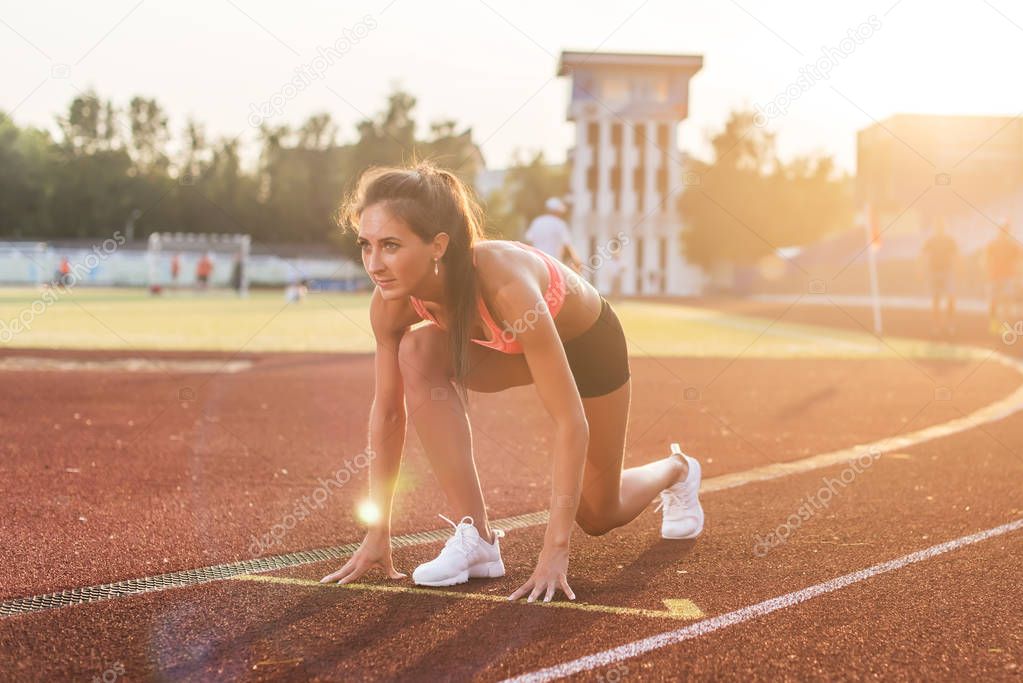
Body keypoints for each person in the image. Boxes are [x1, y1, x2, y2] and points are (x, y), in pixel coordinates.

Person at [319, 163, 704, 603]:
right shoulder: (390, 304)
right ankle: (477, 538)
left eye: (390, 246)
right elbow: (388, 412)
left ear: (437, 246)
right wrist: (378, 531)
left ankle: (678, 469)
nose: (374, 264)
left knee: (599, 512)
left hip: (588, 348)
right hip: (512, 350)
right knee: (417, 352)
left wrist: (554, 551)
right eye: (365, 245)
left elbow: (570, 422)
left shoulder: (504, 284)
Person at [921, 218, 958, 337]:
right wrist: (923, 271)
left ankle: (950, 324)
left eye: (941, 227)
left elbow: (955, 256)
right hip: (934, 272)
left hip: (947, 271)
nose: (939, 229)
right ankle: (936, 326)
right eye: (938, 227)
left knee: (950, 298)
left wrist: (957, 270)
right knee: (936, 299)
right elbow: (924, 256)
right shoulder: (930, 241)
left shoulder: (949, 241)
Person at [525, 198, 583, 273]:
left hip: (537, 261)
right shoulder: (559, 224)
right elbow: (567, 244)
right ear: (557, 212)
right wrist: (576, 259)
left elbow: (529, 241)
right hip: (553, 262)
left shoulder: (537, 222)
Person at [986, 220, 1021, 334]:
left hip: (1007, 277)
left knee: (1006, 302)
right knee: (995, 301)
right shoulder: (993, 244)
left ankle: (1004, 326)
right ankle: (994, 325)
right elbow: (987, 259)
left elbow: (1019, 257)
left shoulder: (1012, 245)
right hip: (996, 276)